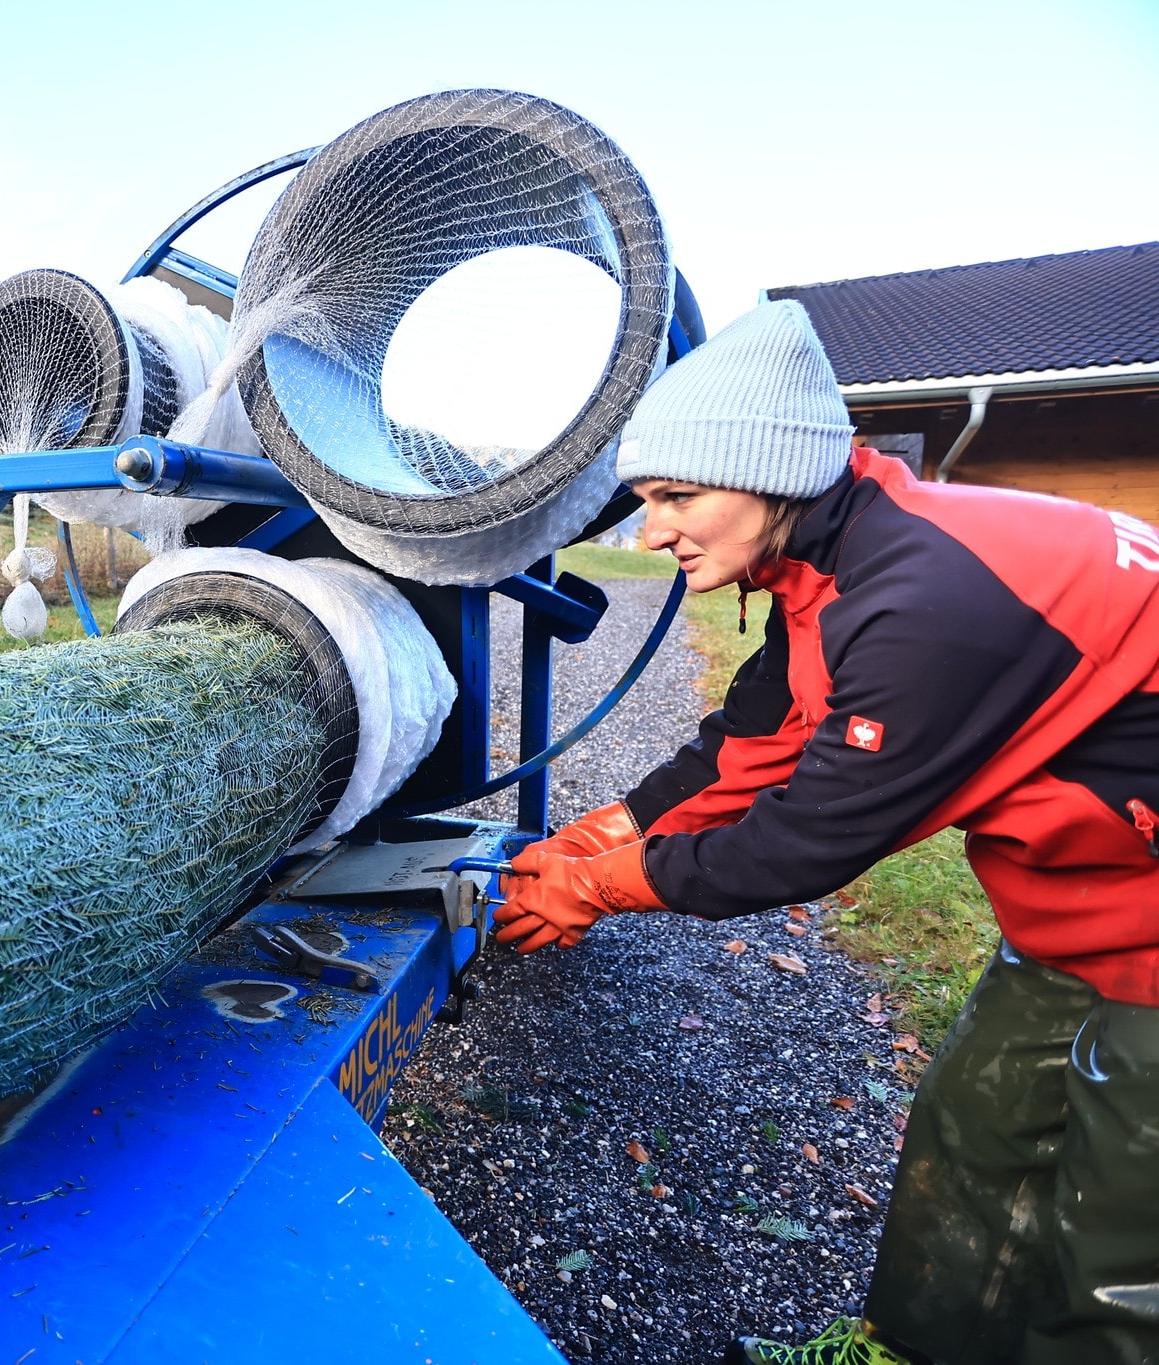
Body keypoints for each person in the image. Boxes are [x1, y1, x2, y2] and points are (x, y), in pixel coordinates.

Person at [491, 301, 1159, 1365]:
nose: (650, 530)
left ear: (770, 472)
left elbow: (806, 837)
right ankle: (910, 1351)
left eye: (676, 497)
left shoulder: (927, 598)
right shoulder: (829, 561)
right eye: (641, 500)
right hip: (1079, 910)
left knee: (1125, 1237)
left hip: (1146, 922)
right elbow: (744, 747)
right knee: (976, 1137)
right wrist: (592, 836)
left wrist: (593, 888)